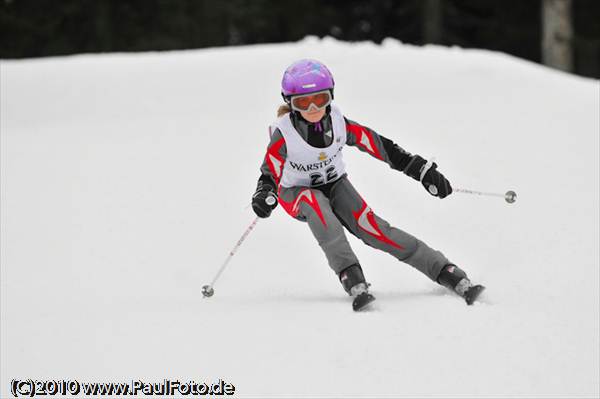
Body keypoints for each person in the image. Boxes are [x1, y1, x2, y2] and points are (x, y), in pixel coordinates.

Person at [251, 59, 484, 311]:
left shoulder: (339, 123)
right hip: (294, 193)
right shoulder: (284, 134)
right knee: (317, 206)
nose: (313, 108)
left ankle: (443, 269)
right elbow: (269, 172)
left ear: (331, 96)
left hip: (335, 184)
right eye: (302, 102)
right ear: (290, 103)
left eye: (320, 99)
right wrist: (265, 193)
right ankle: (350, 275)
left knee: (374, 229)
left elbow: (381, 146)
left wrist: (421, 170)